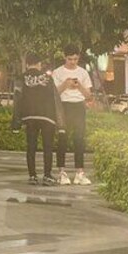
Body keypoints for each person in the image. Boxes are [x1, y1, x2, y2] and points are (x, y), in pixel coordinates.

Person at [11, 52, 64, 186]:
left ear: (27, 64)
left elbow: (17, 99)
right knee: (48, 147)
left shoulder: (21, 78)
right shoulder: (48, 78)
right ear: (39, 64)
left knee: (31, 147)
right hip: (48, 117)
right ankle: (47, 175)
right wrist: (61, 123)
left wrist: (16, 122)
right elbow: (55, 99)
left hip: (30, 116)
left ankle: (32, 176)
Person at [52, 45, 93, 185]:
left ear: (78, 57)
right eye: (70, 59)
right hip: (63, 106)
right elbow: (54, 94)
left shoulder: (83, 72)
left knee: (79, 139)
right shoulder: (57, 72)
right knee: (62, 139)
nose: (73, 62)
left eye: (75, 59)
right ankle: (61, 172)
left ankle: (79, 172)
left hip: (79, 106)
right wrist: (65, 84)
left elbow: (88, 96)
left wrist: (79, 86)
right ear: (64, 57)